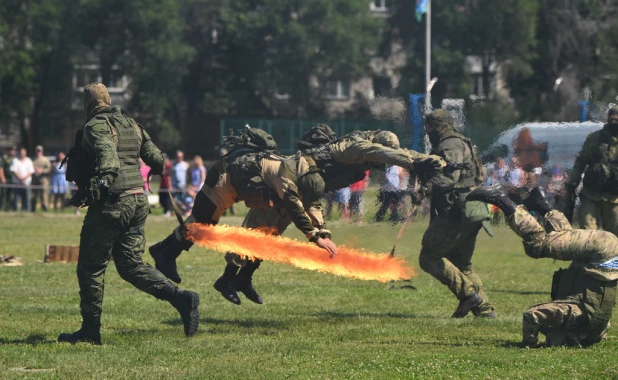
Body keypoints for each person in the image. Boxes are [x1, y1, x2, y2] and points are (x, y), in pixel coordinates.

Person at [214, 125, 445, 305]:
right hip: (286, 188)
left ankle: (244, 279)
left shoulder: (365, 154)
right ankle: (227, 278)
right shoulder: (356, 146)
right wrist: (418, 162)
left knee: (268, 239)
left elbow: (396, 153)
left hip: (307, 194)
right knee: (255, 234)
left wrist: (437, 162)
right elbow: (382, 153)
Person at [57, 83, 199, 345]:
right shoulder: (131, 124)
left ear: (87, 104)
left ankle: (90, 331)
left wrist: (100, 184)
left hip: (113, 204)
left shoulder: (95, 126)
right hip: (138, 201)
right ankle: (182, 298)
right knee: (131, 265)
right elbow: (158, 161)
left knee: (91, 267)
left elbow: (108, 161)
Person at [149, 127, 339, 296]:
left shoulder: (305, 172)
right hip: (224, 181)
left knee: (260, 237)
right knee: (201, 224)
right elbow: (295, 207)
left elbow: (311, 203)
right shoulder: (288, 174)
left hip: (240, 190)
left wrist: (322, 231)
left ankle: (163, 251)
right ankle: (167, 253)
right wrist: (315, 236)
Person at [468, 185, 618, 347]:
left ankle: (542, 203)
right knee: (538, 246)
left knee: (562, 238)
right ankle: (500, 198)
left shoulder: (598, 327)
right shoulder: (574, 314)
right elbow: (532, 315)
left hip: (606, 251)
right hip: (600, 250)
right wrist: (529, 343)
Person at [419, 109, 494, 319]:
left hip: (456, 211)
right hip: (473, 209)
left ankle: (469, 295)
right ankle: (484, 310)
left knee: (428, 257)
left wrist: (424, 190)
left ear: (435, 125)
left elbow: (449, 178)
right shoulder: (461, 141)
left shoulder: (448, 144)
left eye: (428, 126)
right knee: (462, 265)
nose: (425, 131)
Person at [561, 105, 618, 235]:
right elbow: (581, 161)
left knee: (615, 237)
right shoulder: (595, 138)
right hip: (591, 194)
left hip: (615, 199)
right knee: (587, 234)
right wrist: (572, 183)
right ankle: (589, 256)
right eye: (612, 118)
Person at [10, 147, 34, 212]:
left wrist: (24, 179)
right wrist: (20, 178)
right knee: (16, 198)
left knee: (26, 198)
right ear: (19, 153)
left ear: (25, 153)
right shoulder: (15, 160)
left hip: (26, 183)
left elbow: (31, 171)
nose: (22, 154)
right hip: (17, 182)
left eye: (23, 152)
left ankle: (26, 211)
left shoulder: (29, 160)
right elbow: (14, 170)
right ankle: (15, 210)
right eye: (21, 152)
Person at [31, 145, 52, 212]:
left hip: (43, 179)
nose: (38, 152)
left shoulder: (45, 160)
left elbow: (49, 169)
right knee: (34, 194)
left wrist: (42, 170)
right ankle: (33, 207)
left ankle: (45, 208)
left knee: (44, 194)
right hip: (34, 179)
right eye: (37, 151)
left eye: (39, 151)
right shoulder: (33, 159)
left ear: (42, 151)